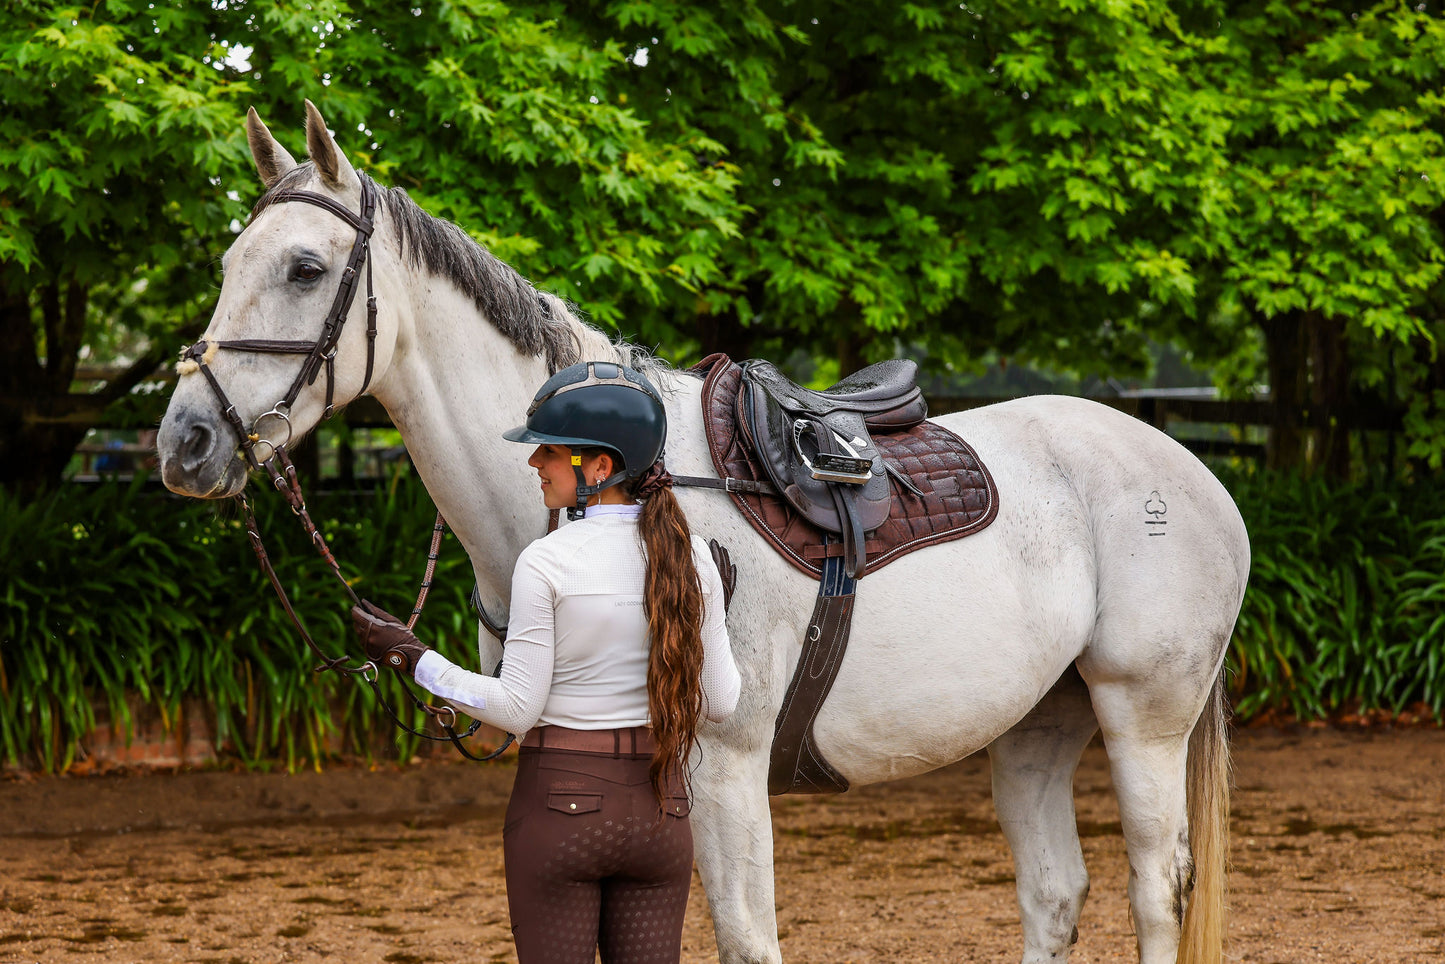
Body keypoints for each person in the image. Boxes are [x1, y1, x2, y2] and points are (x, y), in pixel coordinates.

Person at [350, 360, 741, 964]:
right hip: (662, 814)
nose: (535, 463)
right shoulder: (694, 561)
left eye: (550, 452)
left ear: (600, 467)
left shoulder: (547, 561)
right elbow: (720, 702)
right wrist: (713, 613)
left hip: (563, 813)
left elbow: (517, 708)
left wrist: (412, 657)